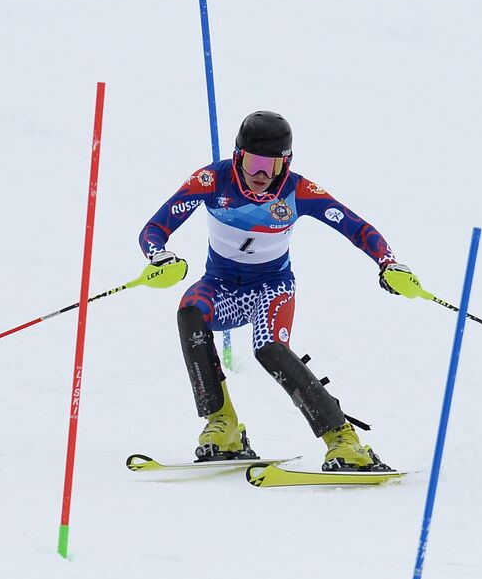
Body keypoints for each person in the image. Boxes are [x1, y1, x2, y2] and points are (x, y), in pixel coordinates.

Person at [137, 110, 422, 470]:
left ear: (284, 165)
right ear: (238, 156)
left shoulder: (297, 191)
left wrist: (388, 262)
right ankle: (222, 426)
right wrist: (160, 255)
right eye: (253, 162)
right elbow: (154, 228)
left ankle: (343, 440)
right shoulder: (211, 180)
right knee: (190, 312)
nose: (260, 175)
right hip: (221, 288)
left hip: (271, 287)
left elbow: (357, 227)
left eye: (270, 166)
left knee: (269, 349)